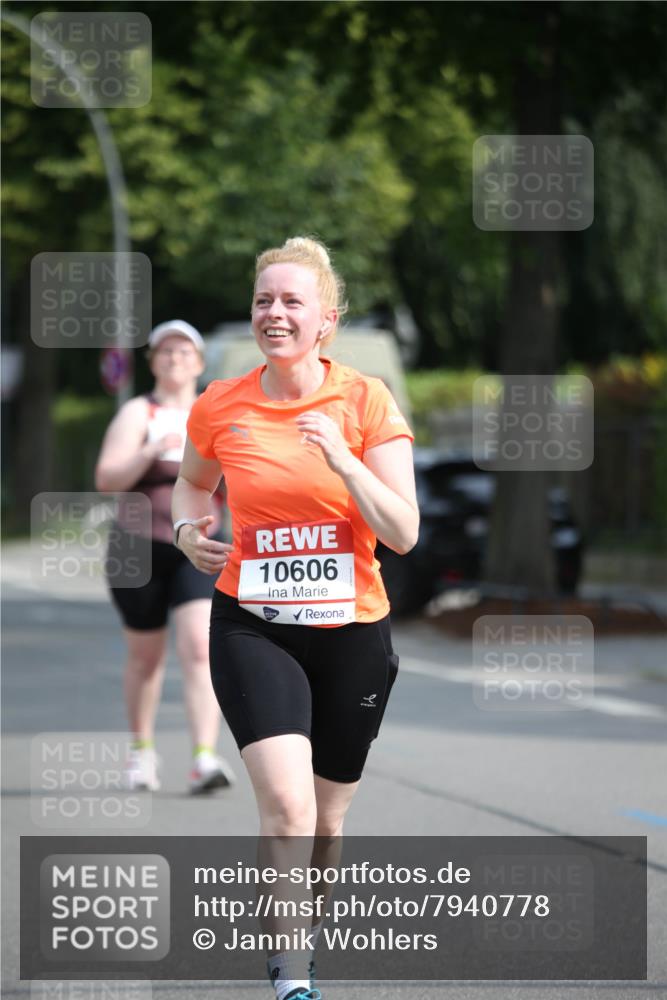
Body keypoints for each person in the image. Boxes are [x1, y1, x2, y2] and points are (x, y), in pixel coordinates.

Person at [172, 238, 418, 1000]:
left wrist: (345, 462)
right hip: (254, 625)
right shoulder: (221, 403)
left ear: (325, 322)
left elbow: (404, 533)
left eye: (290, 302)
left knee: (325, 825)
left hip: (352, 635)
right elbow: (189, 484)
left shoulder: (365, 400)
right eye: (263, 301)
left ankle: (295, 932)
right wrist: (187, 532)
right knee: (286, 803)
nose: (273, 313)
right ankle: (289, 974)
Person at [95, 319, 236, 794]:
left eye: (184, 352)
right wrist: (150, 450)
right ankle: (142, 755)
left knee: (200, 647)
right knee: (146, 657)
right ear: (153, 362)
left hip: (198, 549)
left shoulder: (213, 412)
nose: (175, 360)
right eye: (165, 352)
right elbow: (107, 478)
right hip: (138, 549)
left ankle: (204, 757)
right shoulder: (140, 412)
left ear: (199, 362)